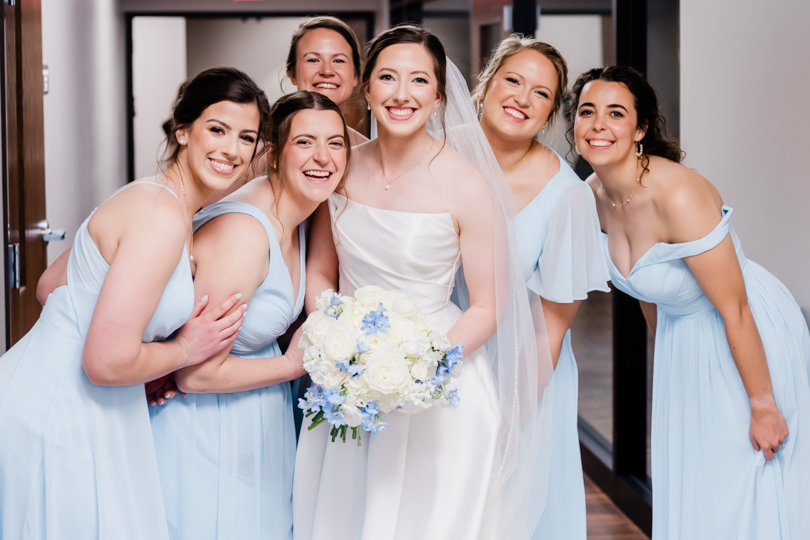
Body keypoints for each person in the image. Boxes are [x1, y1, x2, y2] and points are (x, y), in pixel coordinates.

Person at [293, 25, 552, 540]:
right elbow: (322, 268)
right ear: (367, 88)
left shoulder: (467, 185)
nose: (401, 94)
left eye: (418, 80)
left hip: (438, 378)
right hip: (346, 375)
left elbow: (488, 305)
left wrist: (420, 367)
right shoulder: (341, 166)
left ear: (438, 96)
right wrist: (335, 340)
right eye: (387, 77)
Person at [0, 67, 268, 538]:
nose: (232, 149)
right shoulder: (160, 215)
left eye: (246, 137)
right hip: (59, 411)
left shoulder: (157, 198)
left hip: (71, 396)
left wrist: (143, 360)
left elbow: (49, 286)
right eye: (217, 129)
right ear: (182, 131)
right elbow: (105, 361)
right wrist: (183, 349)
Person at [570, 65, 810, 539]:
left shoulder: (678, 193)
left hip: (744, 329)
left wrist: (763, 405)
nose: (598, 125)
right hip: (682, 338)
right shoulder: (590, 197)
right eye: (586, 111)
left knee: (741, 474)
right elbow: (646, 288)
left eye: (615, 113)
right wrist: (670, 358)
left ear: (640, 129)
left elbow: (736, 308)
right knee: (696, 475)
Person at [149, 91, 350, 540]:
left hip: (256, 418)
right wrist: (292, 365)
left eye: (335, 143)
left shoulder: (299, 215)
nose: (323, 157)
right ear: (273, 154)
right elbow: (195, 374)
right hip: (205, 430)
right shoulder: (244, 233)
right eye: (305, 142)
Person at [475, 36, 609, 540]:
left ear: (552, 111)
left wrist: (510, 421)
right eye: (513, 80)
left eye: (541, 93)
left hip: (524, 370)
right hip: (436, 357)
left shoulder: (567, 196)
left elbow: (551, 327)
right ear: (486, 84)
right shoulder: (437, 155)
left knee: (510, 510)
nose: (522, 98)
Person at [286, 16, 367, 146]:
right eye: (313, 60)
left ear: (355, 76)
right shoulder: (262, 149)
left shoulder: (368, 152)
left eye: (339, 60)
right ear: (293, 73)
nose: (327, 71)